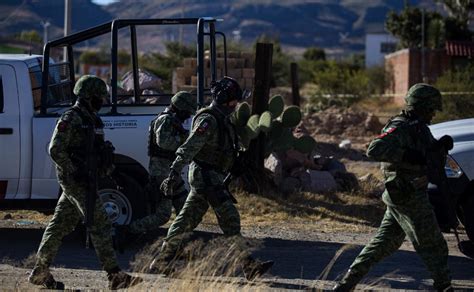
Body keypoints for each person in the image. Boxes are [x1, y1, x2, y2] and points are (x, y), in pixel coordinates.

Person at [150, 76, 273, 280]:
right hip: (205, 177)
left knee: (186, 219)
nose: (236, 105)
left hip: (211, 176)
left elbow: (222, 147)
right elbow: (190, 147)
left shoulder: (222, 118)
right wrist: (174, 171)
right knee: (230, 218)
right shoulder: (207, 119)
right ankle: (248, 266)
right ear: (223, 98)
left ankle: (162, 260)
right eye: (233, 101)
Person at [333, 83, 453, 292]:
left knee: (382, 245)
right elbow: (374, 149)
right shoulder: (401, 126)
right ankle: (444, 287)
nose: (434, 113)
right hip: (407, 195)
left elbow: (425, 153)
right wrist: (407, 156)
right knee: (434, 244)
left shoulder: (418, 127)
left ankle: (345, 284)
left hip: (404, 194)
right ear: (421, 107)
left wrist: (439, 147)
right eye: (431, 109)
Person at [28, 75, 142, 289]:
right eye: (99, 97)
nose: (102, 101)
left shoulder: (91, 118)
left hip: (86, 178)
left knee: (60, 225)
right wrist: (74, 170)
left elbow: (96, 150)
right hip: (74, 180)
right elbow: (55, 149)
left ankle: (40, 272)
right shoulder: (71, 118)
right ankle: (115, 276)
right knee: (100, 223)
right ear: (89, 97)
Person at [121, 91, 196, 236]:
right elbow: (164, 143)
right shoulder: (165, 120)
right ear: (179, 108)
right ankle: (128, 230)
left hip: (170, 173)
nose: (188, 116)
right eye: (187, 112)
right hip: (162, 174)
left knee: (186, 210)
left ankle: (182, 240)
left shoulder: (172, 120)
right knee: (163, 215)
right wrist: (185, 142)